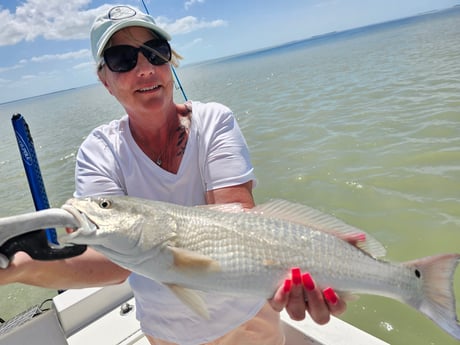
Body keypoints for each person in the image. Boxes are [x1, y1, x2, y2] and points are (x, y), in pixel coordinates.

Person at [0, 5, 346, 345]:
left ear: (170, 61)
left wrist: (313, 250)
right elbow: (114, 261)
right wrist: (24, 266)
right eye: (123, 59)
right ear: (104, 80)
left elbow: (237, 218)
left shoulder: (214, 121)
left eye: (155, 52)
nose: (145, 69)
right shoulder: (99, 151)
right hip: (166, 331)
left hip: (248, 319)